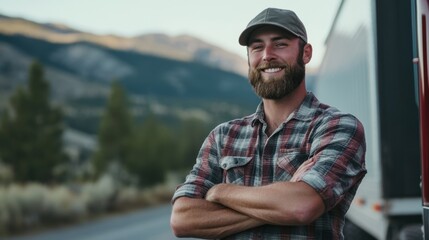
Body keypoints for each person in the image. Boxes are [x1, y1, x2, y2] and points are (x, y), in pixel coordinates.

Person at [170, 7, 366, 240]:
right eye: (257, 47)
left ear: (306, 53)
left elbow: (302, 207)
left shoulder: (337, 127)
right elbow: (183, 219)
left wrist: (220, 191)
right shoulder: (223, 136)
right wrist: (284, 201)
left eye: (280, 44)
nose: (267, 55)